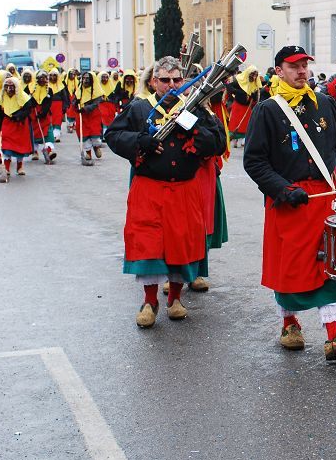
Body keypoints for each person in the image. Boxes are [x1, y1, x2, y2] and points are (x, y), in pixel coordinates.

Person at [243, 45, 336, 360]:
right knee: (290, 268)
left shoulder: (324, 103)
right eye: (294, 66)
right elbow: (254, 162)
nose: (302, 71)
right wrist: (282, 188)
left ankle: (335, 333)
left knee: (327, 264)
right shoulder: (267, 110)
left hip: (321, 198)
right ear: (279, 70)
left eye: (305, 65)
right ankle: (289, 323)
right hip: (288, 201)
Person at [105, 56, 227, 328]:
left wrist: (193, 126)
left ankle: (174, 298)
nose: (171, 85)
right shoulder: (138, 108)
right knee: (148, 244)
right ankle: (150, 301)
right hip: (149, 189)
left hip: (185, 189)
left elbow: (218, 142)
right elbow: (112, 135)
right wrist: (140, 141)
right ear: (153, 81)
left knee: (180, 244)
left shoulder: (195, 109)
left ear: (183, 82)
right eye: (164, 80)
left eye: (176, 80)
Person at [0, 76, 34, 182]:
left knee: (19, 147)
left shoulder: (24, 98)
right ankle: (6, 167)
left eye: (12, 87)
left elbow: (28, 110)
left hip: (20, 124)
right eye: (7, 86)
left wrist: (19, 116)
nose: (9, 89)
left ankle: (20, 166)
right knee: (6, 147)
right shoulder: (1, 99)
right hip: (7, 124)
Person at [227, 65, 262, 147]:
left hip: (247, 108)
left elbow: (256, 96)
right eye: (252, 74)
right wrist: (237, 92)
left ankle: (244, 140)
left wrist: (254, 96)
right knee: (235, 123)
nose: (253, 77)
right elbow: (229, 86)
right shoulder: (240, 81)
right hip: (238, 105)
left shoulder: (255, 84)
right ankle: (234, 140)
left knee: (246, 124)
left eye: (255, 75)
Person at [74, 71, 105, 165]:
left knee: (94, 132)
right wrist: (75, 104)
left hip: (93, 115)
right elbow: (75, 100)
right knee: (84, 134)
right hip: (82, 116)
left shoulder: (96, 91)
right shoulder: (80, 90)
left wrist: (86, 108)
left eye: (87, 78)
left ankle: (96, 147)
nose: (85, 80)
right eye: (84, 78)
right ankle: (88, 153)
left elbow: (96, 103)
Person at [29, 70, 56, 164]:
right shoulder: (31, 89)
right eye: (40, 78)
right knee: (34, 133)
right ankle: (34, 152)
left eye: (44, 78)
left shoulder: (49, 90)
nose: (42, 80)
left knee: (48, 133)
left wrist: (43, 113)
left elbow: (48, 103)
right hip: (33, 114)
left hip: (44, 115)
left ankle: (49, 150)